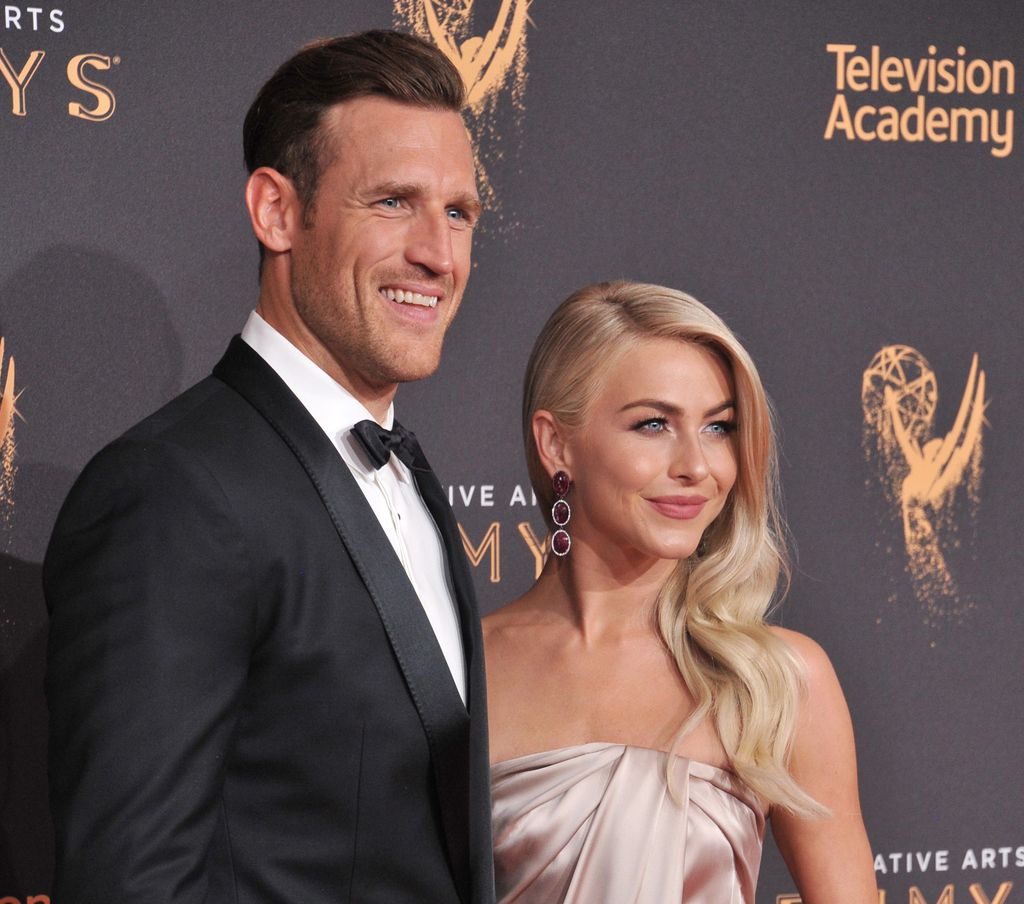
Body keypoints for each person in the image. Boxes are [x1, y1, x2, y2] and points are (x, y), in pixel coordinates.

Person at [44, 31, 494, 904]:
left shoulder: (409, 471)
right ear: (277, 212)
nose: (439, 254)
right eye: (394, 202)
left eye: (460, 213)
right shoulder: (174, 491)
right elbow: (131, 883)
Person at [484, 281, 877, 902]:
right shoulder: (462, 670)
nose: (697, 464)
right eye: (654, 424)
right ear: (556, 443)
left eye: (718, 427)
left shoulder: (778, 679)